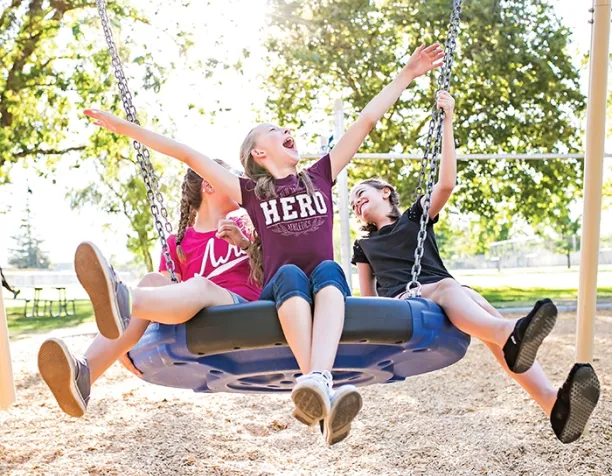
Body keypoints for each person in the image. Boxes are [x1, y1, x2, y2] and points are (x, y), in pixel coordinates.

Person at [83, 42, 446, 445]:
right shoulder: (250, 192)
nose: (286, 131)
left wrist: (407, 74)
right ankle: (121, 300)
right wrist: (124, 128)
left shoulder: (321, 175)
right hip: (279, 289)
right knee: (290, 272)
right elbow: (185, 153)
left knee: (328, 270)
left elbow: (366, 120)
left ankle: (318, 382)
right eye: (275, 131)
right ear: (259, 152)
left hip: (323, 286)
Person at [349, 91, 600, 444]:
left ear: (386, 192)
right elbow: (366, 295)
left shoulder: (415, 219)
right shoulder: (365, 245)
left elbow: (447, 182)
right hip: (406, 303)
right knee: (457, 293)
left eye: (362, 193)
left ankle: (553, 405)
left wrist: (448, 117)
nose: (356, 201)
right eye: (352, 202)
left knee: (480, 308)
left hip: (443, 291)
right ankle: (510, 332)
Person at [38, 164, 261, 417]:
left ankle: (122, 300)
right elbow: (160, 301)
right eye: (232, 178)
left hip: (243, 310)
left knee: (200, 286)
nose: (241, 183)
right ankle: (84, 375)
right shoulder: (177, 244)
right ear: (209, 185)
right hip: (197, 319)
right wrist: (119, 343)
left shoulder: (249, 227)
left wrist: (246, 245)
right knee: (153, 280)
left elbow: (272, 269)